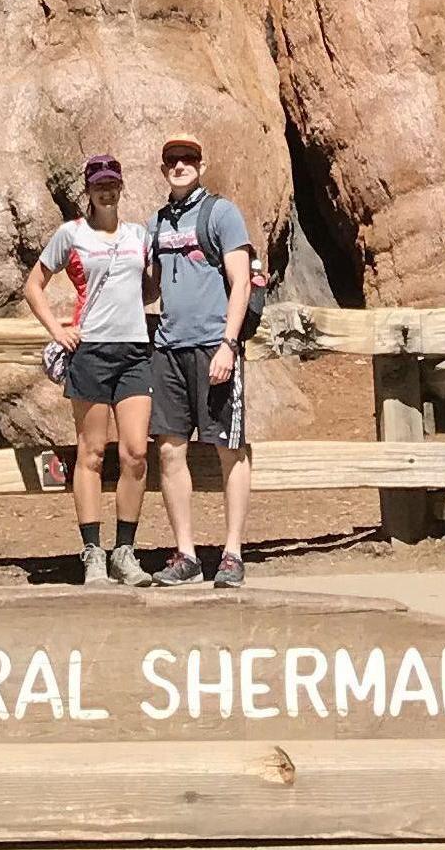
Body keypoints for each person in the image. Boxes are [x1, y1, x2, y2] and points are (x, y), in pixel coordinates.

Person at [24, 153, 155, 585]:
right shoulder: (72, 234)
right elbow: (34, 284)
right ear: (88, 190)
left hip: (135, 350)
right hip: (92, 351)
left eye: (112, 183)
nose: (106, 190)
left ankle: (125, 551)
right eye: (98, 183)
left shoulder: (139, 235)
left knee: (135, 452)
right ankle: (92, 552)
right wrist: (56, 329)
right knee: (92, 452)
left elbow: (149, 288)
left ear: (121, 187)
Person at [143, 130, 252, 588]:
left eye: (188, 159)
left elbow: (241, 282)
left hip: (214, 347)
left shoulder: (221, 213)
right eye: (172, 160)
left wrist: (228, 344)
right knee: (170, 450)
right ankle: (185, 553)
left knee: (230, 448)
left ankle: (231, 552)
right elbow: (149, 286)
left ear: (200, 165)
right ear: (164, 168)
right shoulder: (157, 223)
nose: (180, 166)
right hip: (169, 349)